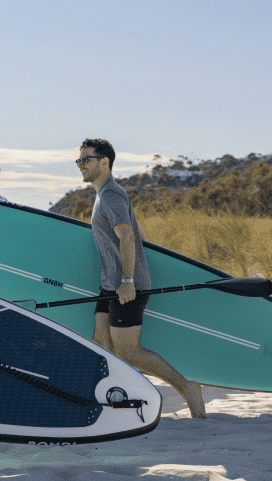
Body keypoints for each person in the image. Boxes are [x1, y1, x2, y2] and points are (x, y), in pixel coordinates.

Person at [76, 138, 206, 418]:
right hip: (110, 284)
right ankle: (111, 403)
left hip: (124, 286)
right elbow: (138, 231)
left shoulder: (111, 194)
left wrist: (128, 280)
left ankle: (187, 388)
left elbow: (127, 237)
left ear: (104, 162)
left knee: (129, 352)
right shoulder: (106, 194)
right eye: (79, 160)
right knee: (101, 343)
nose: (81, 165)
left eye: (86, 159)